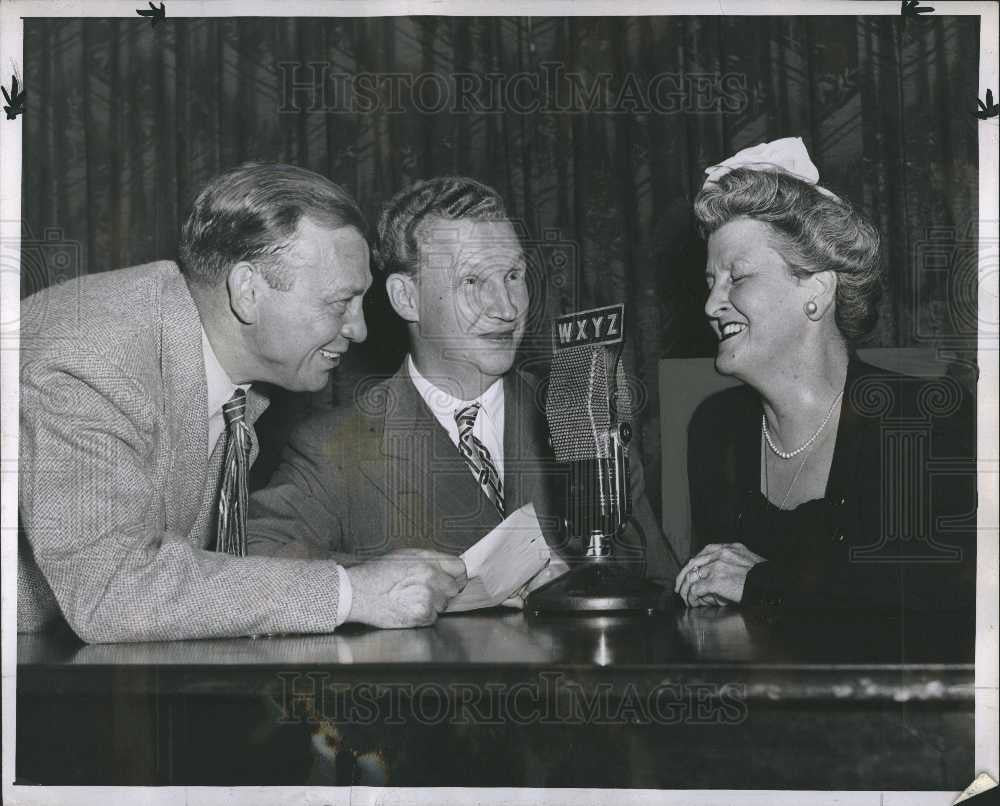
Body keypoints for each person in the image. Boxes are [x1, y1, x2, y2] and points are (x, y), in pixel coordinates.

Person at [18, 162, 466, 643]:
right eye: (341, 302)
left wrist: (378, 575)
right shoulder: (93, 358)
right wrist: (350, 591)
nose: (359, 329)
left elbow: (190, 570)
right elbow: (112, 591)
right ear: (247, 292)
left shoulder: (238, 383)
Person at [245, 175, 678, 583]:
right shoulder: (333, 448)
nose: (507, 307)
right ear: (407, 298)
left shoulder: (582, 414)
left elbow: (656, 580)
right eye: (472, 281)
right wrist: (400, 581)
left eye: (513, 276)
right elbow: (251, 563)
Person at [674, 138, 976, 611]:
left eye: (738, 277)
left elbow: (928, 601)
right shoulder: (715, 430)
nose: (711, 305)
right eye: (711, 283)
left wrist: (759, 583)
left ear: (816, 289)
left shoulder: (925, 418)